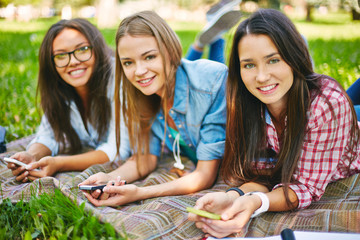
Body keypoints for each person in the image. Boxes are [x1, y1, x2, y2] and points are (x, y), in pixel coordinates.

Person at [188, 9, 360, 238]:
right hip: (309, 110)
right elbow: (263, 175)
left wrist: (257, 203)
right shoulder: (247, 105)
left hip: (336, 128)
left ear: (294, 57)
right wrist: (231, 197)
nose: (261, 77)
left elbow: (305, 187)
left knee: (337, 101)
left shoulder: (327, 106)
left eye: (273, 60)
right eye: (249, 65)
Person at [79, 10, 227, 207]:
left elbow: (205, 175)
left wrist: (140, 192)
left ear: (170, 50)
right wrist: (109, 179)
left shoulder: (211, 83)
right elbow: (145, 158)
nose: (139, 71)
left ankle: (217, 39)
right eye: (128, 62)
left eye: (149, 57)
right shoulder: (139, 95)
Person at [6, 18, 130, 183]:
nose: (73, 62)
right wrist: (32, 155)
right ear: (51, 63)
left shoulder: (120, 79)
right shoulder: (59, 88)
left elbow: (118, 151)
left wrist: (59, 163)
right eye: (61, 55)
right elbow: (49, 136)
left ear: (97, 50)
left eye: (83, 49)